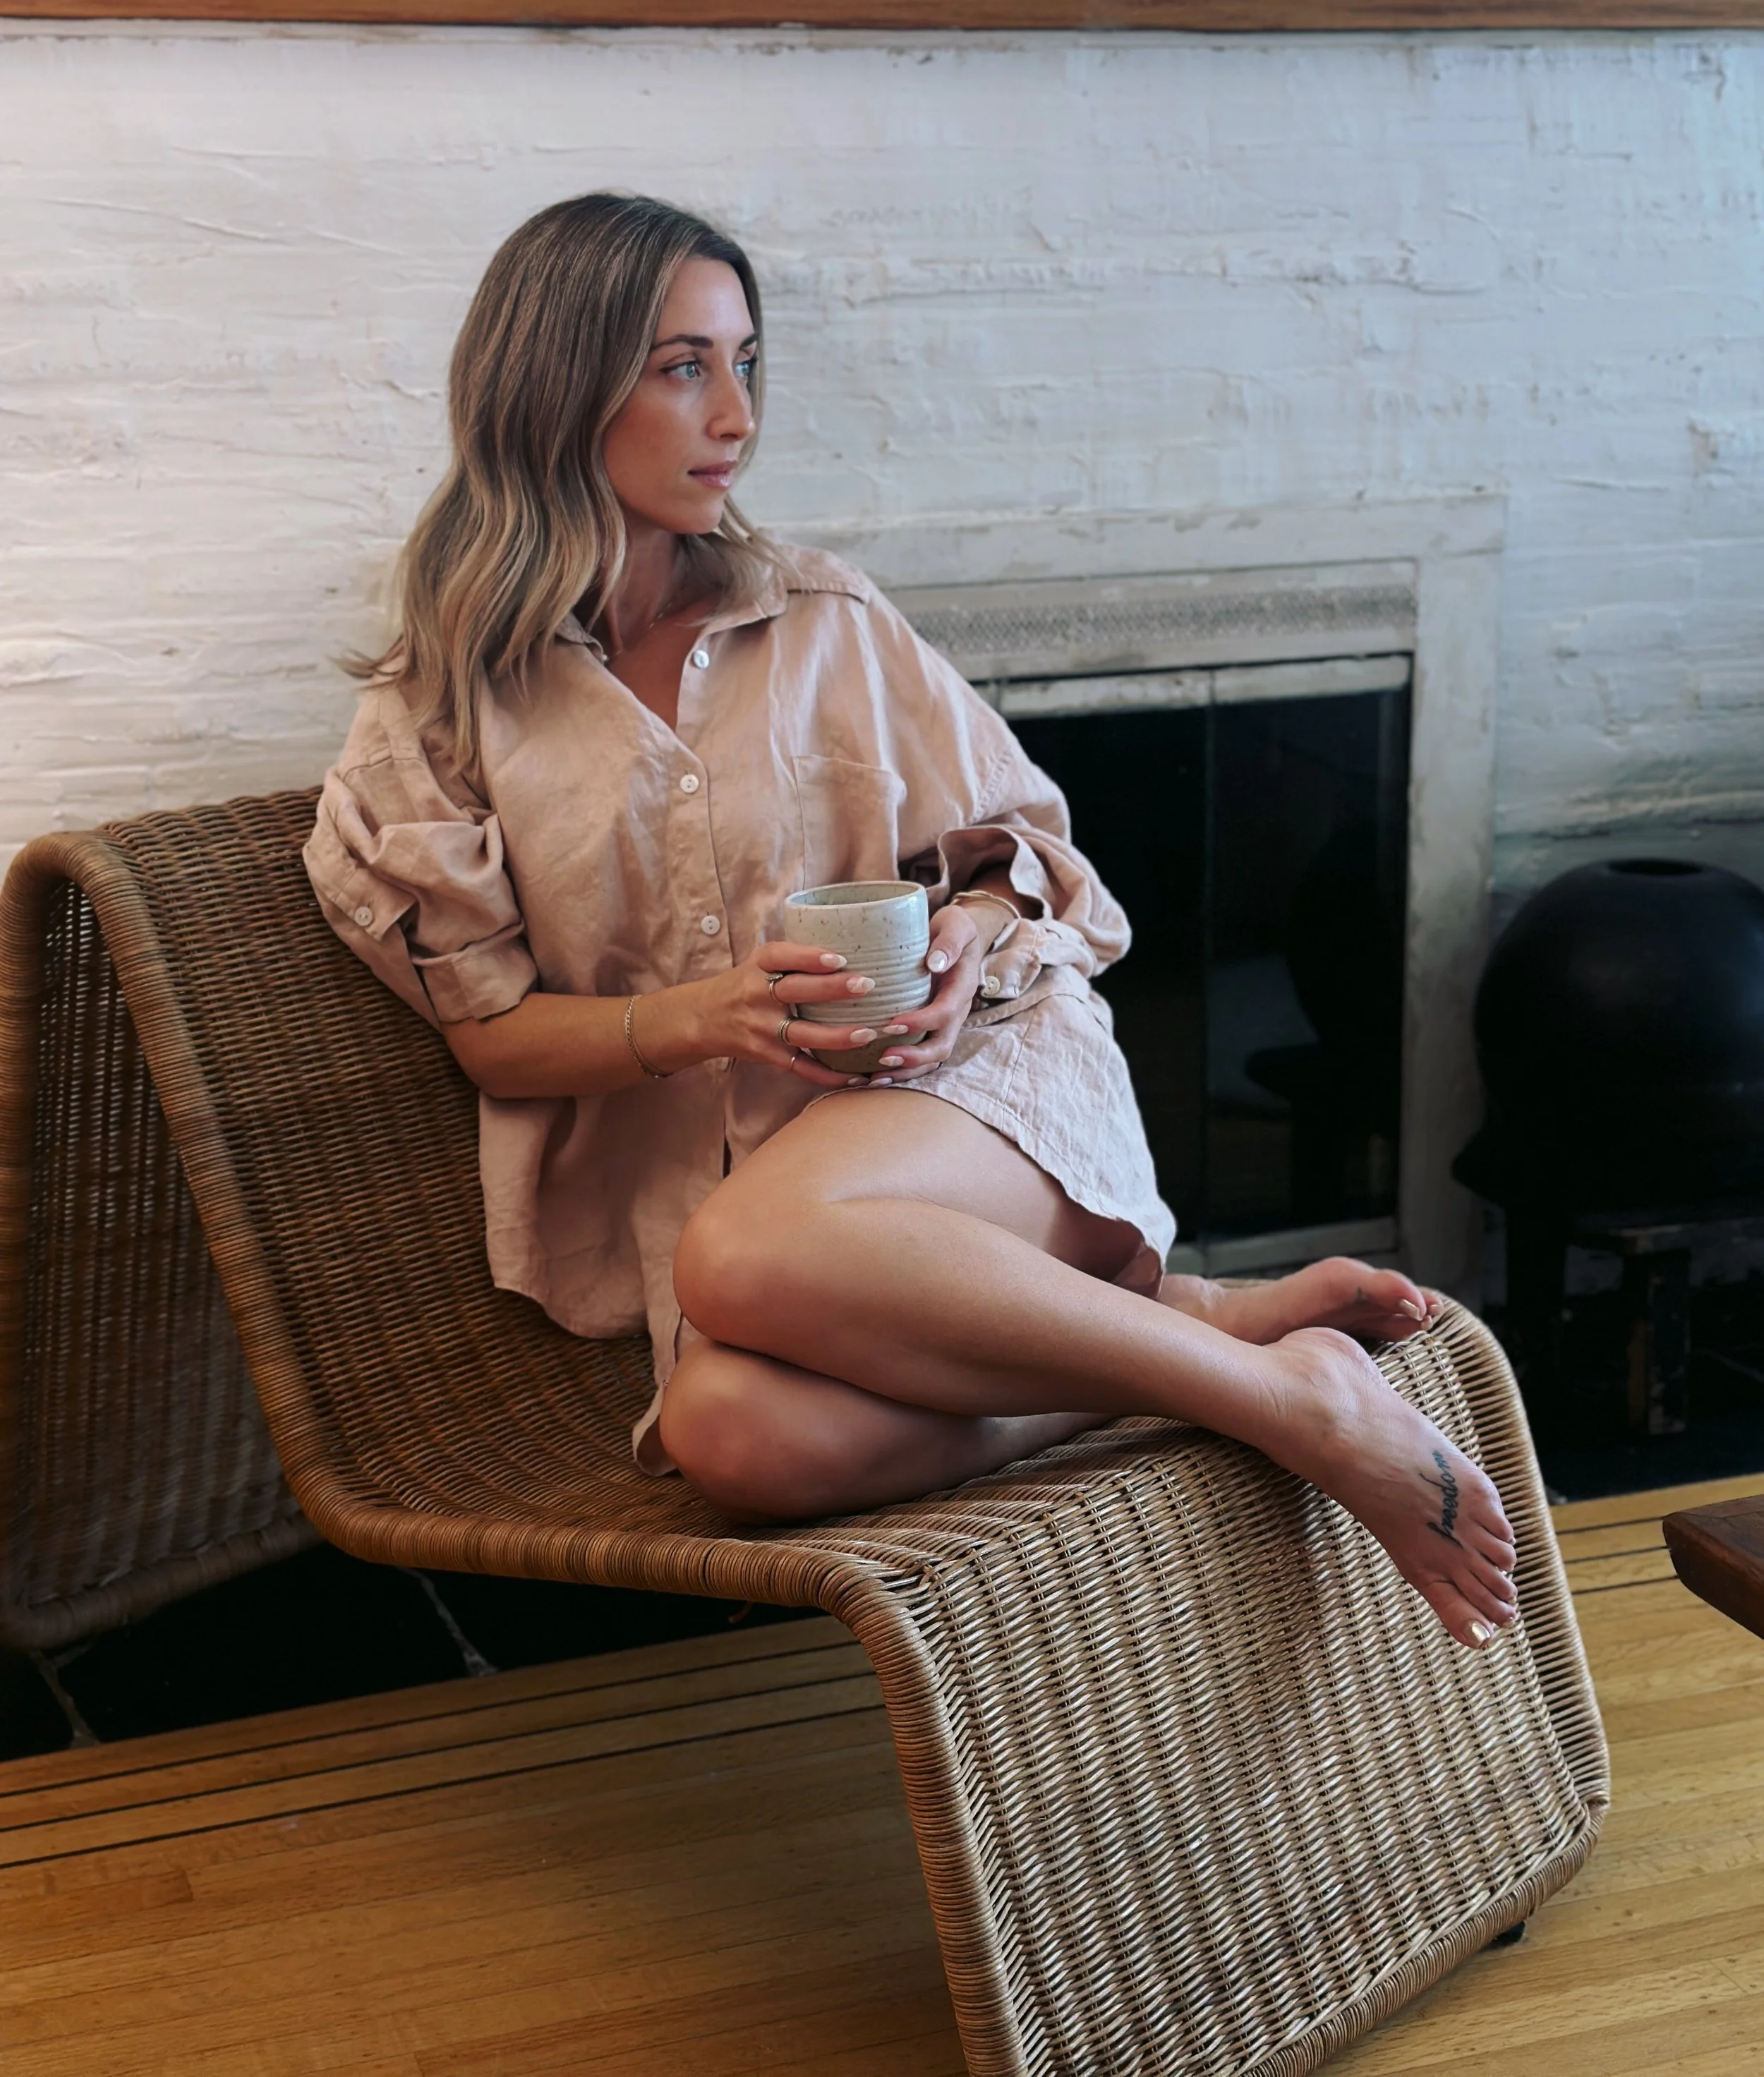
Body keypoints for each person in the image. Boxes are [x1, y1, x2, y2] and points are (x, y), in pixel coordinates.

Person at [306, 190, 1518, 1652]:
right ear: (556, 386)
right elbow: (493, 1036)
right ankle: (1197, 1334)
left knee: (733, 1259)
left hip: (969, 1085)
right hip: (759, 1197)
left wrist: (965, 940)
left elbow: (1032, 857)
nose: (736, 414)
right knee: (727, 1433)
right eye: (684, 367)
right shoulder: (439, 708)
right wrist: (706, 1018)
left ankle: (1295, 1401)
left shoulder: (826, 618)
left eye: (746, 363)